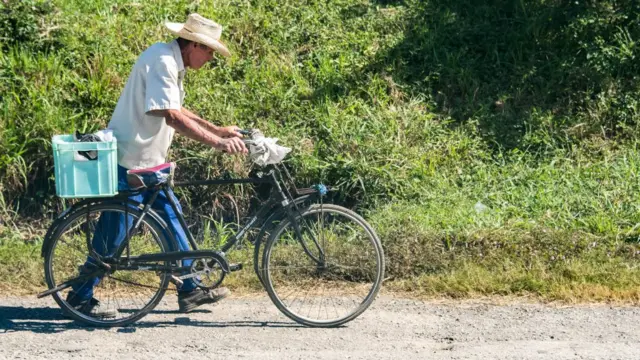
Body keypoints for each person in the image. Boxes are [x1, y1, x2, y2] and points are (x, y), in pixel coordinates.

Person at [67, 13, 247, 318]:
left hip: (150, 162)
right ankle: (79, 296)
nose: (211, 58)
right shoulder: (163, 62)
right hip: (133, 161)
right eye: (209, 51)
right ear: (193, 44)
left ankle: (190, 288)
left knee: (172, 217)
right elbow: (172, 117)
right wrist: (216, 143)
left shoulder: (169, 60)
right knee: (113, 236)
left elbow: (174, 107)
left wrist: (216, 129)